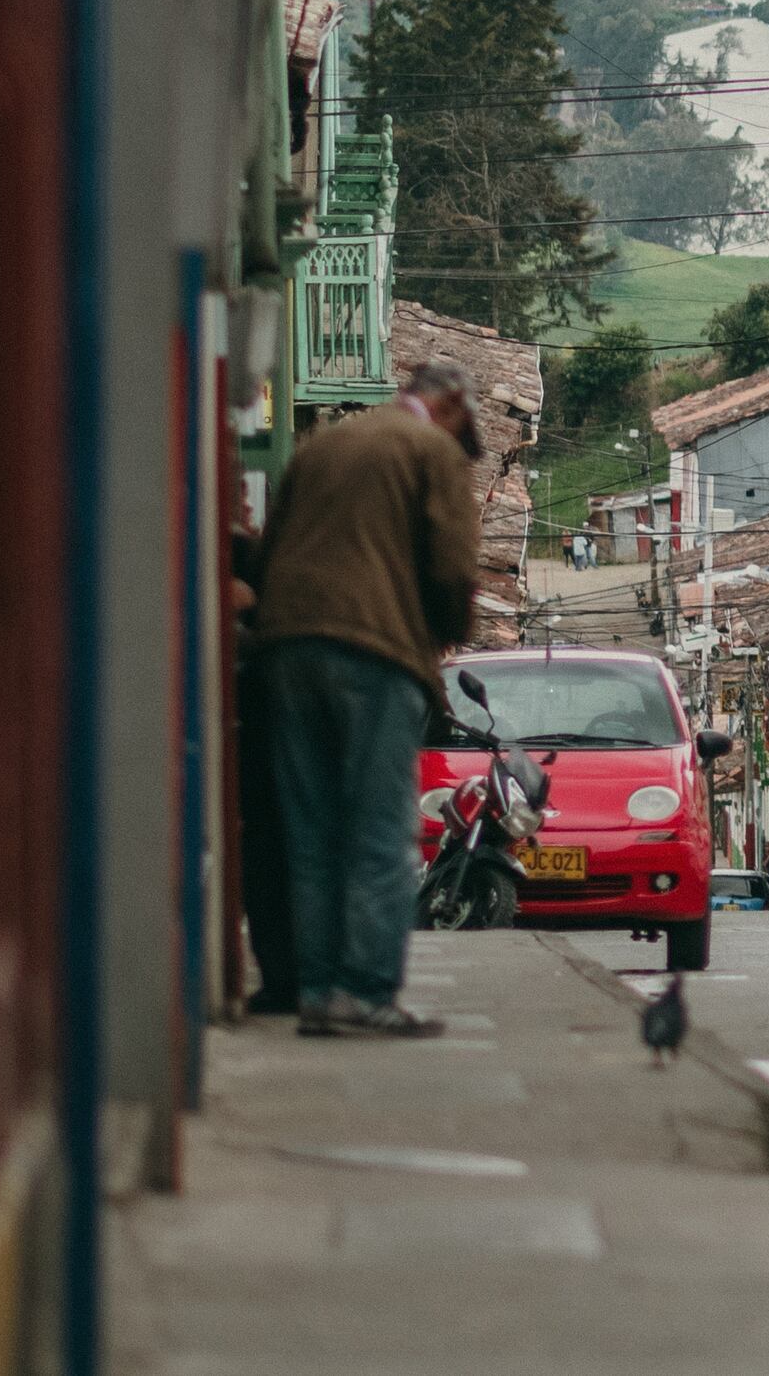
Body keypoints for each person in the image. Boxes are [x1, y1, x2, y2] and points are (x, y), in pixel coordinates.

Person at [247, 351, 486, 1038]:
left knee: (313, 829)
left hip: (287, 649)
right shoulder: (432, 452)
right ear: (450, 408)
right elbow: (452, 566)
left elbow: (269, 553)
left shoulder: (324, 446)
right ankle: (368, 989)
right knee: (381, 831)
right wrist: (440, 638)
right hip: (375, 652)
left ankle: (318, 990)